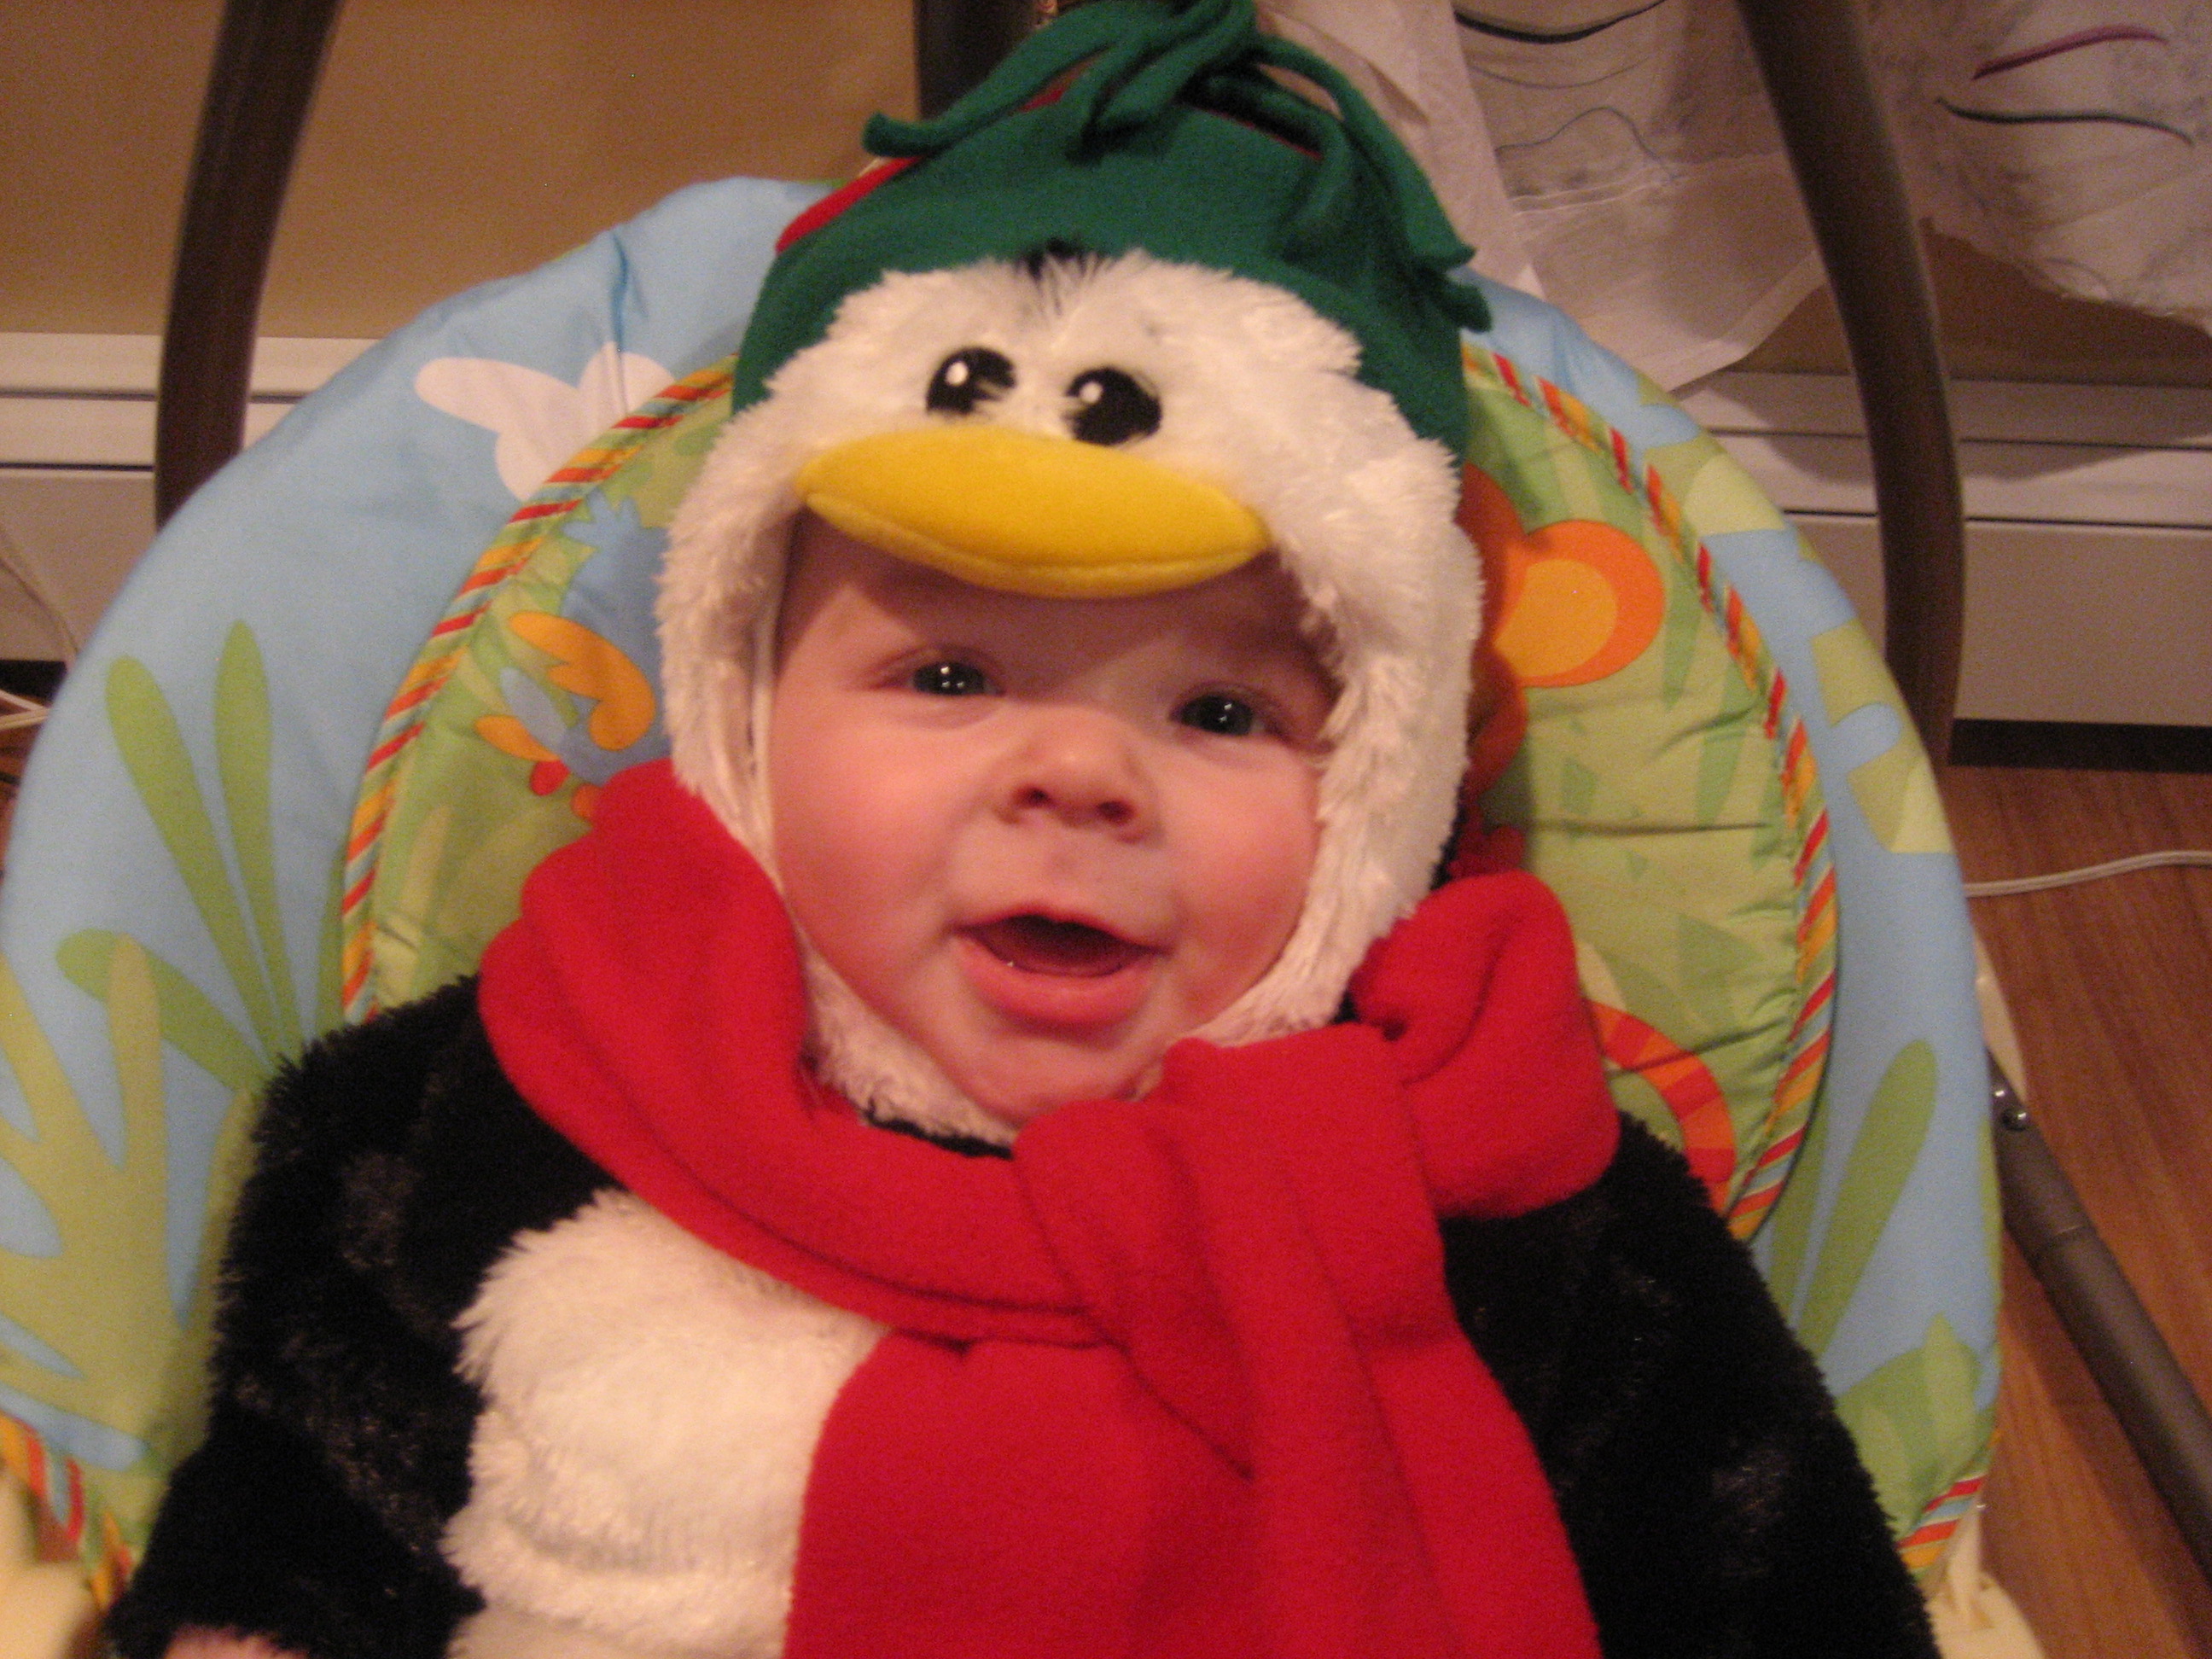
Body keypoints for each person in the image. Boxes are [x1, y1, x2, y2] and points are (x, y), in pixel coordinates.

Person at [108, 5, 1941, 1657]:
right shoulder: (523, 1090)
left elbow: (1778, 1592)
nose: (1079, 777)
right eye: (949, 676)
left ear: (1380, 793)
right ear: (743, 715)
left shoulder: (1501, 1190)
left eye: (1220, 715)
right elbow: (301, 1524)